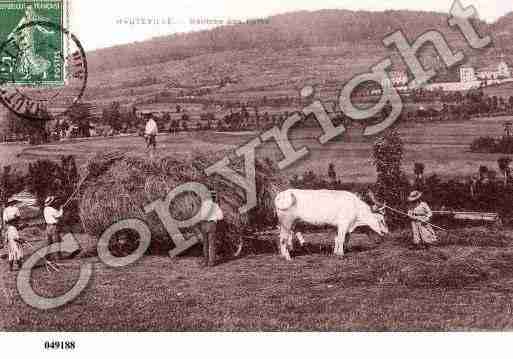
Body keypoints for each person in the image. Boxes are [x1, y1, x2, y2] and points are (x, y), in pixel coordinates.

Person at [197, 191, 224, 267]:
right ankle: (211, 262)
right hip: (211, 224)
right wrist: (215, 218)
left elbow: (201, 216)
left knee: (205, 244)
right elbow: (221, 217)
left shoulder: (203, 205)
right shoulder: (215, 205)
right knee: (212, 244)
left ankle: (205, 261)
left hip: (204, 224)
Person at [43, 196, 63, 260]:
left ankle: (47, 258)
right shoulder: (52, 209)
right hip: (53, 227)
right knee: (56, 242)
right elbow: (59, 215)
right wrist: (61, 209)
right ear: (51, 203)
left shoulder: (45, 209)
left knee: (48, 243)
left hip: (47, 227)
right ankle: (58, 258)